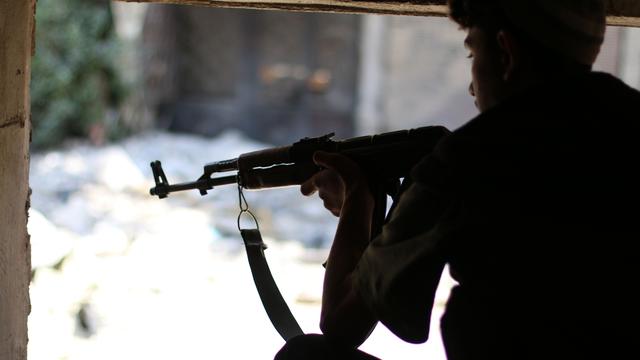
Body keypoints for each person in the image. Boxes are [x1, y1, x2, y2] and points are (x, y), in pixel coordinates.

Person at [276, 0, 640, 359]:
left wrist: (358, 196)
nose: (471, 87)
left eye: (472, 55)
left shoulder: (473, 156)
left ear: (505, 52)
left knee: (305, 355)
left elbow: (342, 323)